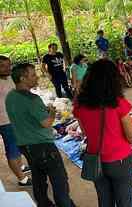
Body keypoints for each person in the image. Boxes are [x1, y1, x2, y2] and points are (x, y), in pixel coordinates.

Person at [5, 63, 75, 207]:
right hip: (43, 146)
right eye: (32, 75)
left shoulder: (11, 96)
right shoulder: (32, 99)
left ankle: (44, 204)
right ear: (22, 78)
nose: (36, 77)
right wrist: (52, 112)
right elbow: (46, 123)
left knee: (38, 178)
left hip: (25, 145)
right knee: (59, 181)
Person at [73, 59, 132, 207]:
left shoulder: (79, 103)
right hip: (120, 159)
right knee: (123, 201)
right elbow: (131, 136)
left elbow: (84, 131)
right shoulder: (117, 102)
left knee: (104, 200)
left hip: (95, 158)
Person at [0, 56, 32, 187]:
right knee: (12, 148)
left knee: (18, 145)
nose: (8, 68)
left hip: (15, 118)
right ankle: (21, 178)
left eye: (9, 65)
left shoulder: (10, 78)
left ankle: (20, 166)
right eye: (3, 66)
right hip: (4, 121)